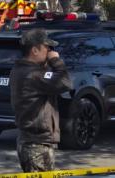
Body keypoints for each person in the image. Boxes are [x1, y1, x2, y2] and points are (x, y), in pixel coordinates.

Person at [10, 28, 72, 173]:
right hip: (36, 144)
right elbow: (65, 82)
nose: (49, 51)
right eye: (46, 47)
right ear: (35, 50)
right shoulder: (32, 75)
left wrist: (47, 63)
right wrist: (55, 60)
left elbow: (49, 78)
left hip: (32, 141)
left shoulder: (23, 70)